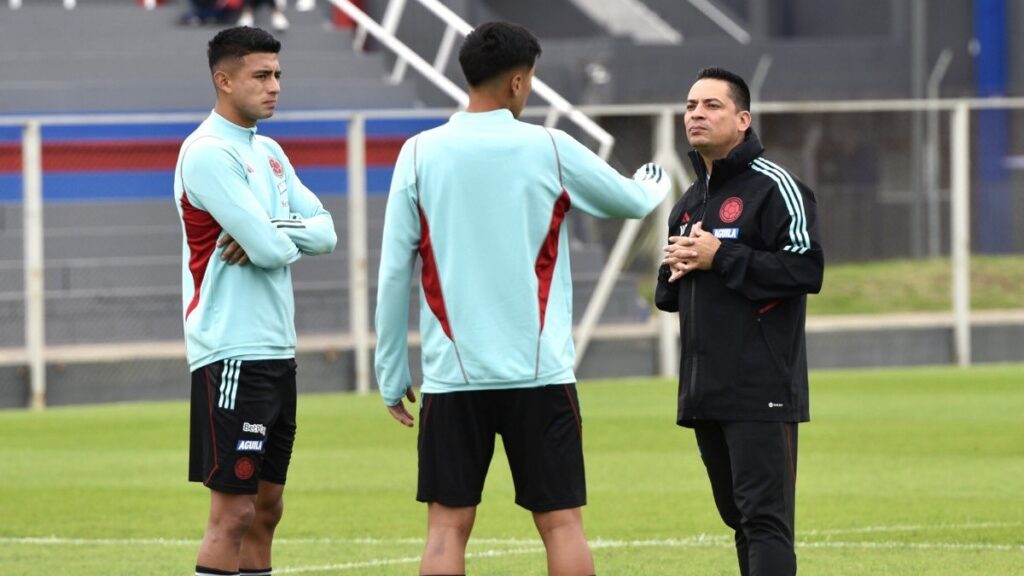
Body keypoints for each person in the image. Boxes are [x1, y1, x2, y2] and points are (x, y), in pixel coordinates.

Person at [374, 21, 671, 576]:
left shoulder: (417, 154)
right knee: (561, 524)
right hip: (540, 375)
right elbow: (630, 201)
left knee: (445, 528)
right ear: (516, 81)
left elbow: (394, 273)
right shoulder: (549, 147)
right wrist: (654, 181)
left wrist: (390, 371)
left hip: (453, 378)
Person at [174, 26, 337, 576]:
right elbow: (271, 250)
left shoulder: (267, 151)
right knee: (234, 511)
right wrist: (275, 235)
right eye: (261, 76)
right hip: (232, 350)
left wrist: (267, 226)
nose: (274, 87)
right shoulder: (207, 153)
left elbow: (327, 233)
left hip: (275, 348)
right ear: (223, 80)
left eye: (277, 75)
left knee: (267, 509)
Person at [655, 67, 824, 576]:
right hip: (705, 389)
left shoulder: (778, 187)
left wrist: (720, 257)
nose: (696, 115)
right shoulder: (688, 202)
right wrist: (677, 268)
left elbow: (805, 268)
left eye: (711, 106)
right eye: (690, 106)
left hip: (762, 387)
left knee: (765, 521)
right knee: (739, 520)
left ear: (743, 120)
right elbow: (670, 296)